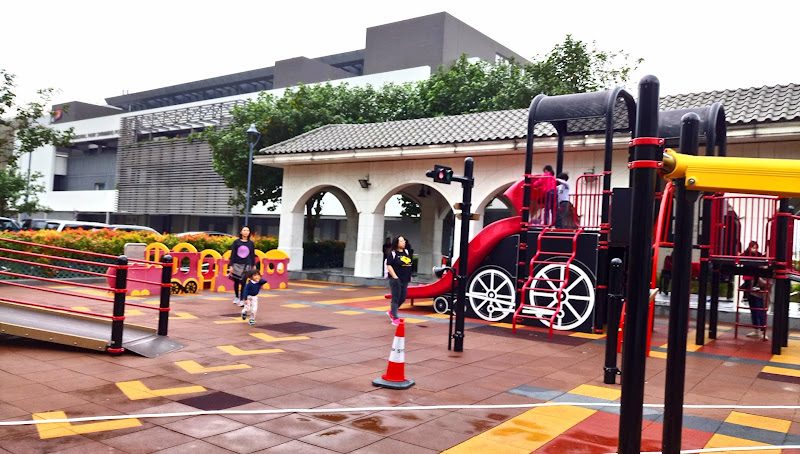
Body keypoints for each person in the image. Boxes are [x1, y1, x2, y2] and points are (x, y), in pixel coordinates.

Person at [741, 241, 767, 338]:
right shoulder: (746, 254)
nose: (754, 250)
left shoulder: (758, 256)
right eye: (753, 248)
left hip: (756, 283)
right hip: (751, 281)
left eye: (756, 248)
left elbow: (764, 265)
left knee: (758, 307)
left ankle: (761, 330)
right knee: (754, 307)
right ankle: (757, 329)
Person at [386, 235, 413, 325]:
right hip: (396, 279)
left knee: (403, 297)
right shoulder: (393, 253)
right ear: (397, 243)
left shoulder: (406, 252)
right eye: (401, 241)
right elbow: (389, 265)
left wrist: (410, 275)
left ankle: (392, 312)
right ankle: (395, 317)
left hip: (405, 279)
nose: (404, 242)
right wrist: (395, 277)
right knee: (395, 298)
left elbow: (409, 264)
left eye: (404, 241)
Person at [229, 225, 256, 307]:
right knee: (236, 282)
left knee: (244, 282)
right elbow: (233, 254)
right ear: (241, 232)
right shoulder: (236, 242)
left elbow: (252, 255)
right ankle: (237, 297)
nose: (246, 232)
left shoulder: (251, 243)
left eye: (247, 230)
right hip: (237, 264)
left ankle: (242, 299)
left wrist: (253, 265)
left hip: (246, 265)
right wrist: (231, 265)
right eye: (244, 230)